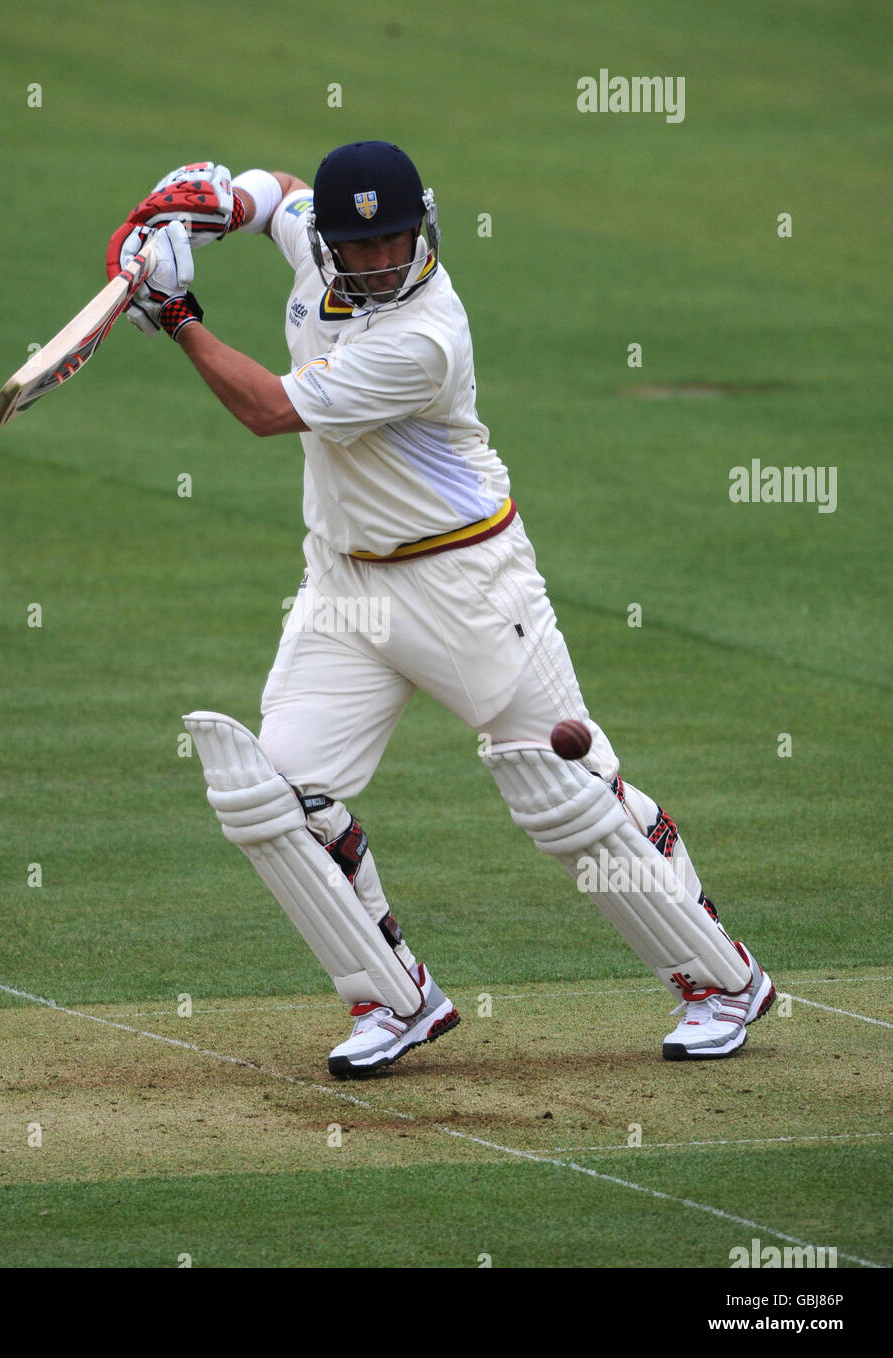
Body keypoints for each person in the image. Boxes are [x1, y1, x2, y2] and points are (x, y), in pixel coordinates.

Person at [106, 143, 775, 1078]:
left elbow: (263, 410)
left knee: (567, 793)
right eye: (363, 245)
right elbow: (284, 198)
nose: (383, 259)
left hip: (467, 586)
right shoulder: (321, 247)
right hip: (346, 585)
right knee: (275, 797)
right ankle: (393, 997)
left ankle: (721, 980)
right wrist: (215, 200)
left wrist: (176, 314)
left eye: (398, 240)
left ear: (422, 227)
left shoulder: (424, 337)